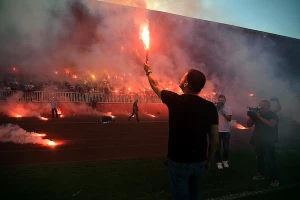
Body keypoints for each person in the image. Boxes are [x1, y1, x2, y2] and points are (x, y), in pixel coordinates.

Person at [144, 62, 219, 200]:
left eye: (183, 77)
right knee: (194, 193)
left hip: (178, 160)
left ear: (186, 84)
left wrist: (148, 71)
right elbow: (215, 139)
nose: (181, 78)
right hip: (199, 161)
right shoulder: (210, 107)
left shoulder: (175, 100)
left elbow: (155, 85)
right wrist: (209, 160)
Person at [246, 100, 279, 187]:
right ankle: (261, 174)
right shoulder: (257, 114)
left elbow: (272, 124)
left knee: (270, 160)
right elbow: (248, 125)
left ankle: (275, 179)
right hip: (258, 140)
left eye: (264, 106)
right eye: (260, 105)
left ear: (269, 107)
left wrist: (260, 117)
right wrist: (251, 116)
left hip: (269, 140)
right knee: (260, 159)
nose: (261, 107)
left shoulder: (272, 114)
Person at [215, 95, 232, 169]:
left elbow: (229, 119)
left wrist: (222, 112)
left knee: (226, 148)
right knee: (217, 148)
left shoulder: (228, 108)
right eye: (220, 100)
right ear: (218, 101)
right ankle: (218, 162)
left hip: (226, 131)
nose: (221, 102)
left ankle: (225, 160)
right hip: (217, 131)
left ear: (225, 101)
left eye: (222, 100)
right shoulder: (215, 108)